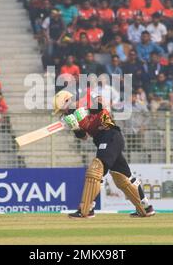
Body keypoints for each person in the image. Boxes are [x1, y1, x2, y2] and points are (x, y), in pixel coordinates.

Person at [52, 90, 155, 218]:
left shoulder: (87, 98)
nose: (63, 113)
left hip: (110, 134)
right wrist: (75, 128)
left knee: (96, 169)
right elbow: (84, 137)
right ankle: (146, 208)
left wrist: (87, 110)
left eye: (62, 110)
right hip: (103, 140)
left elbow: (104, 104)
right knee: (122, 177)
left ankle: (86, 209)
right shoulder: (72, 116)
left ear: (67, 101)